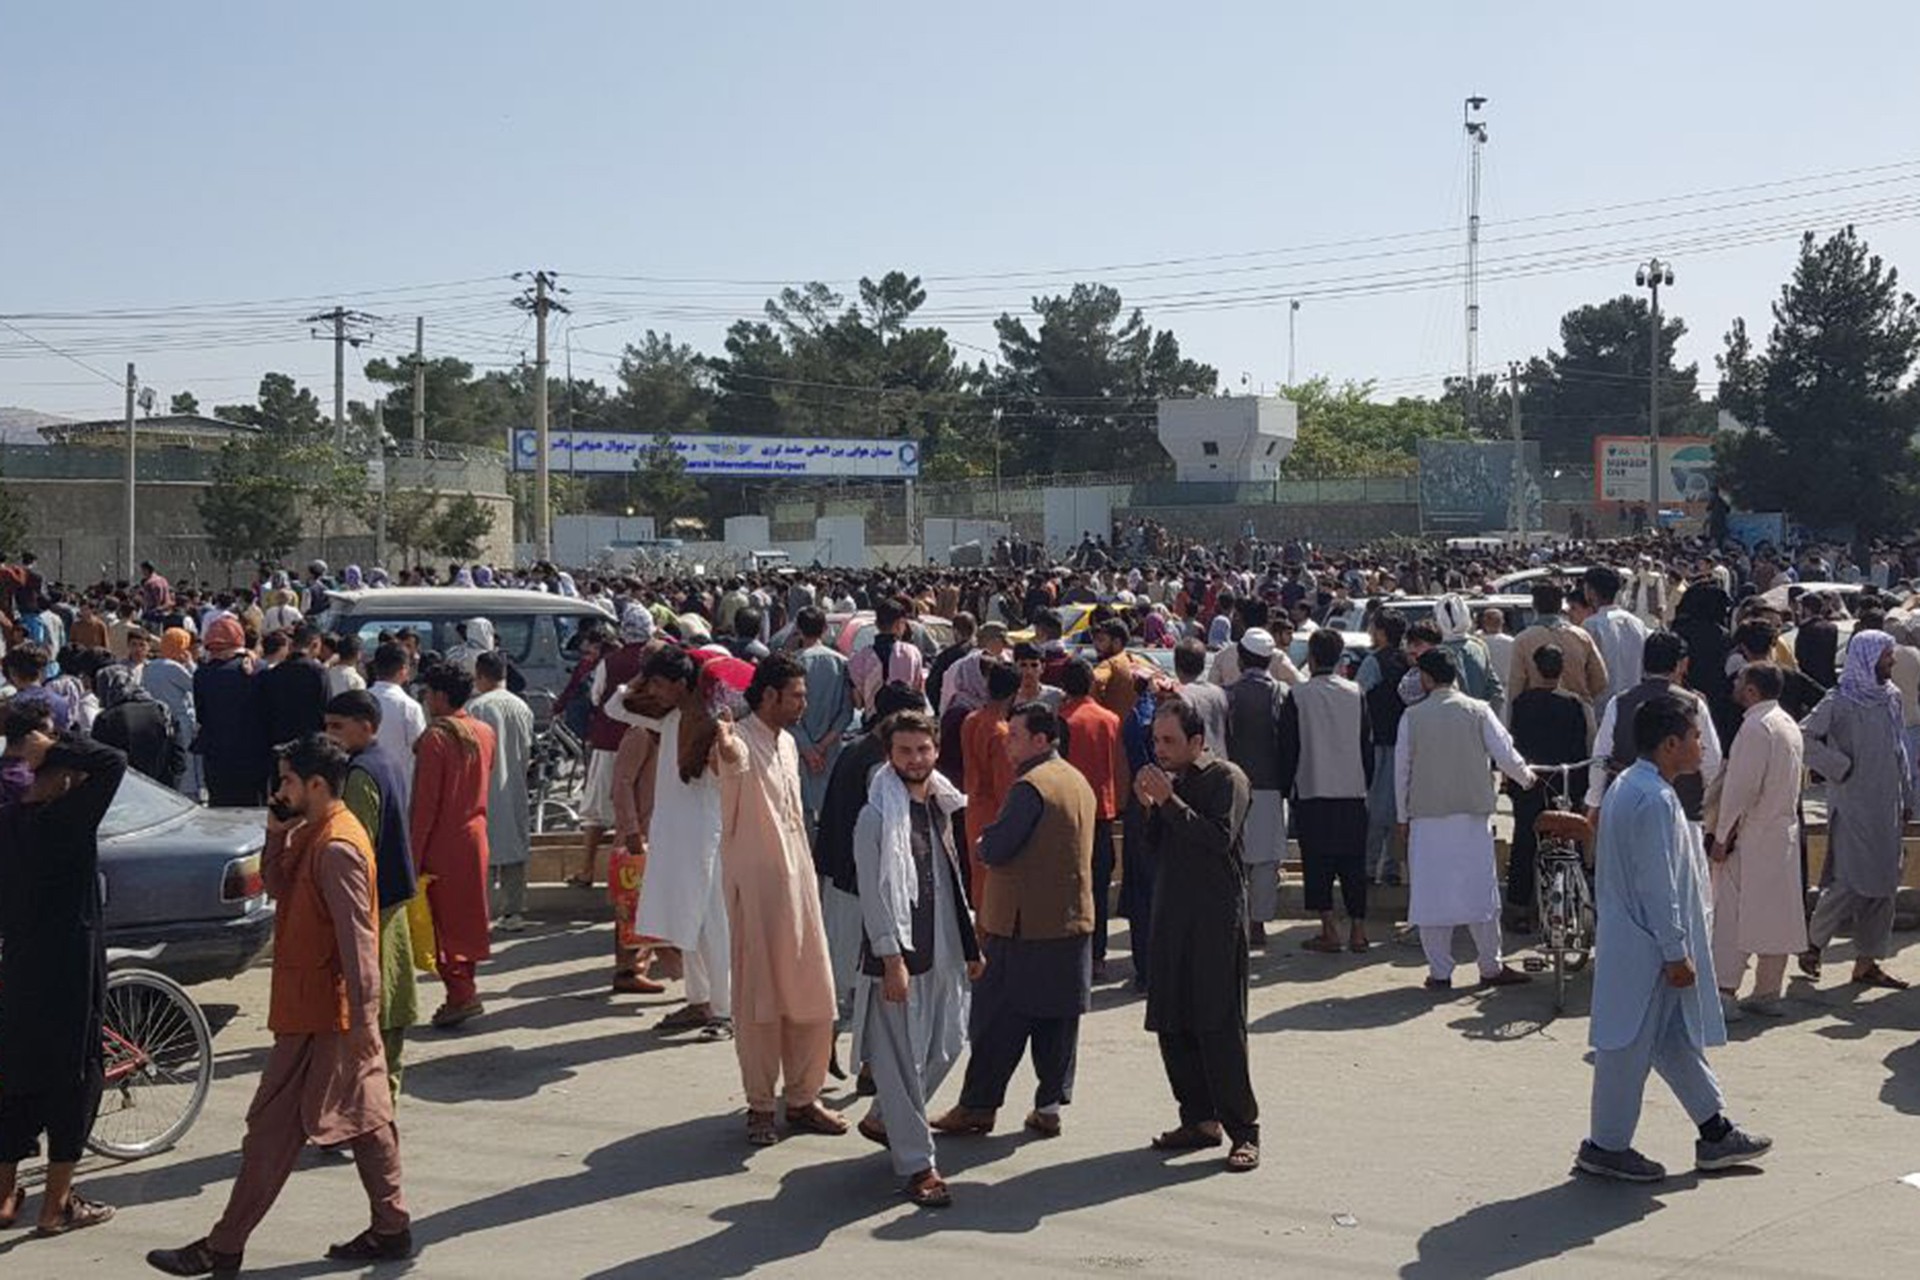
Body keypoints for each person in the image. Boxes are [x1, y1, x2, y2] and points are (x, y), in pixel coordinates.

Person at [146, 735, 413, 1275]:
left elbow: (358, 940)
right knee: (368, 1118)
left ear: (317, 785)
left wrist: (364, 1022)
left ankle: (223, 1246)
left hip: (325, 1017)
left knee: (271, 1131)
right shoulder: (312, 834)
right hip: (315, 1011)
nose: (279, 790)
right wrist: (274, 831)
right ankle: (391, 1228)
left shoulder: (337, 846)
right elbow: (276, 884)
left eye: (289, 781)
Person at [1578, 694, 1771, 1183]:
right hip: (1649, 949)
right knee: (1625, 1049)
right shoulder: (1653, 799)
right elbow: (1658, 885)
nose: (1701, 744)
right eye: (1694, 737)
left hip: (1646, 945)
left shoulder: (1634, 787)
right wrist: (1675, 951)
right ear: (1670, 745)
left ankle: (1716, 1131)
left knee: (1674, 1041)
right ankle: (1606, 1146)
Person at [933, 702, 1095, 1140]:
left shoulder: (1031, 787)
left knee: (996, 1022)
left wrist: (984, 843)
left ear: (1041, 740)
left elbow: (999, 846)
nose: (1009, 743)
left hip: (1022, 925)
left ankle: (978, 1107)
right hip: (1070, 920)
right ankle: (1048, 1107)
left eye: (1017, 736)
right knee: (1057, 1022)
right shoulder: (1075, 779)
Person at [0, 702, 124, 1237]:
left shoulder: (10, 820)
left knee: (16, 1082)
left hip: (21, 962)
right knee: (76, 1079)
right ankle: (57, 1205)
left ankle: (4, 1197)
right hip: (70, 967)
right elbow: (113, 761)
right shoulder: (65, 820)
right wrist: (58, 747)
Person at [712, 654, 848, 1145]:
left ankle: (804, 1097)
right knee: (760, 1000)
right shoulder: (738, 741)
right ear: (768, 696)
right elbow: (733, 763)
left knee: (812, 991)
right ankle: (761, 1106)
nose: (804, 704)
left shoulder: (788, 743)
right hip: (759, 894)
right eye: (797, 696)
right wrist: (724, 746)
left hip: (800, 886)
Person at [851, 709, 980, 1207]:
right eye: (905, 751)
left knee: (949, 1042)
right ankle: (917, 1166)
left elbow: (952, 879)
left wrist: (970, 946)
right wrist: (890, 958)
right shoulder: (876, 815)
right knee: (902, 1062)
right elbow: (873, 893)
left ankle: (885, 1116)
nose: (915, 759)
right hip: (900, 954)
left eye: (922, 749)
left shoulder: (942, 803)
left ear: (936, 751)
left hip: (945, 946)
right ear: (890, 755)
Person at [1137, 697, 1260, 1173]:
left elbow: (1216, 839)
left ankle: (1243, 1130)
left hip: (1214, 920)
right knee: (1173, 1020)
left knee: (1218, 1024)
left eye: (1169, 741)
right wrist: (1152, 807)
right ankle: (1198, 1118)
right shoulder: (1171, 783)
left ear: (1196, 741)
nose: (1160, 750)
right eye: (1156, 741)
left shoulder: (1226, 778)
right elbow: (1153, 852)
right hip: (1171, 916)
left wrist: (1169, 802)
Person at [1396, 648, 1536, 990]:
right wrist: (1527, 778)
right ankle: (1490, 966)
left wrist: (1402, 816)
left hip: (1427, 818)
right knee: (1480, 892)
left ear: (1427, 679)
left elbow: (1402, 772)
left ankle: (1440, 972)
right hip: (1472, 816)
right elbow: (1506, 753)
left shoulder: (1412, 717)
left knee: (1432, 895)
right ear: (1455, 675)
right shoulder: (1479, 711)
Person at [1800, 630, 1914, 990]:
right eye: (1886, 656)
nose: (1891, 662)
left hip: (1888, 805)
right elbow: (1803, 737)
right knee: (1848, 882)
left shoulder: (1891, 697)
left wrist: (1907, 795)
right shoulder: (1839, 700)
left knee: (1884, 886)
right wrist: (1839, 766)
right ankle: (1812, 944)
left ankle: (1867, 963)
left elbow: (1899, 749)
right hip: (1854, 805)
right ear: (1867, 658)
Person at [631, 645, 733, 1038]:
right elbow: (614, 707)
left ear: (679, 683)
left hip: (705, 838)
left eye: (659, 683)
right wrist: (647, 673)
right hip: (675, 836)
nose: (653, 691)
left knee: (713, 926)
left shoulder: (712, 722)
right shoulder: (669, 717)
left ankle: (725, 1012)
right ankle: (698, 1001)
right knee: (687, 923)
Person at [322, 690, 420, 1100]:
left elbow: (355, 855)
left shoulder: (360, 775)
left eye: (337, 728)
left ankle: (369, 1107)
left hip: (373, 908)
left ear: (366, 726)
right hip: (391, 902)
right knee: (390, 1003)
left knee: (371, 1010)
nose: (330, 737)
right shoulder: (385, 762)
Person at [1709, 663, 1807, 1021]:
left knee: (1734, 915)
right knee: (1776, 915)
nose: (1734, 685)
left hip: (1755, 833)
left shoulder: (1755, 727)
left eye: (1740, 681)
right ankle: (1768, 990)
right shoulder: (1787, 723)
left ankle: (1724, 991)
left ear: (1751, 691)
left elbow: (1740, 789)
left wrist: (1721, 835)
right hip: (1782, 833)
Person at [411, 662, 496, 1029]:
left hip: (441, 843)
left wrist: (410, 857)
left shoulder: (437, 739)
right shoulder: (483, 731)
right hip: (475, 835)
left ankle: (460, 994)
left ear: (441, 696)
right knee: (467, 918)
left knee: (440, 924)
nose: (426, 700)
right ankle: (464, 988)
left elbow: (425, 805)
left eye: (428, 693)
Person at [1278, 627, 1373, 955]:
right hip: (1352, 791)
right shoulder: (1356, 691)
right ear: (1339, 657)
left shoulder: (1299, 695)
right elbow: (1366, 745)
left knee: (1317, 864)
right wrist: (1365, 782)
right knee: (1353, 865)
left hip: (1313, 789)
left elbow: (1288, 747)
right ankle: (1359, 931)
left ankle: (1329, 929)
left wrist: (1284, 787)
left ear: (1313, 658)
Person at [1506, 645, 1592, 927]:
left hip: (1531, 781)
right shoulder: (1574, 704)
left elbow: (1515, 744)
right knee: (1571, 838)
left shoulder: (1522, 703)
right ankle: (1577, 901)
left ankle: (1519, 906)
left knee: (1525, 840)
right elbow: (1581, 748)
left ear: (1535, 668)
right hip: (1564, 781)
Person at [574, 606, 654, 890]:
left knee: (598, 810)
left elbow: (597, 699)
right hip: (653, 742)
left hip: (610, 742)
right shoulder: (657, 657)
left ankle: (587, 870)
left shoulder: (611, 661)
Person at [1058, 659, 1127, 979]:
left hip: (1069, 815)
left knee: (1071, 887)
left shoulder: (1062, 721)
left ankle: (1074, 954)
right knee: (1098, 887)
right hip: (1104, 811)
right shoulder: (1111, 720)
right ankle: (1098, 956)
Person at [1224, 626, 1288, 947]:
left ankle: (1237, 919)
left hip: (1235, 786)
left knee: (1237, 856)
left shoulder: (1229, 695)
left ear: (1241, 657)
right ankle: (1259, 922)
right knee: (1265, 861)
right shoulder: (1282, 693)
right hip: (1272, 786)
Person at [467, 650, 535, 933]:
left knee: (482, 851)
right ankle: (513, 911)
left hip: (484, 787)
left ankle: (480, 912)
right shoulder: (522, 707)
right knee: (515, 847)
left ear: (480, 676)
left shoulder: (477, 708)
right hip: (516, 784)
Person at [1358, 608, 1411, 885]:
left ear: (1380, 631)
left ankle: (1368, 867)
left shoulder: (1373, 663)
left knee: (1376, 807)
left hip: (1378, 741)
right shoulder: (1409, 662)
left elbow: (1358, 696)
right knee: (1399, 805)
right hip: (1405, 742)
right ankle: (1391, 867)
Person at [959, 659, 1020, 894]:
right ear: (1013, 693)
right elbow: (1005, 785)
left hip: (973, 808)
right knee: (995, 886)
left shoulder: (971, 720)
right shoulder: (1001, 732)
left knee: (979, 882)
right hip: (995, 813)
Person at [790, 606, 853, 831]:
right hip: (831, 746)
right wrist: (824, 744)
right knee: (831, 808)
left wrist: (808, 748)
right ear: (825, 629)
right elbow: (847, 710)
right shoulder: (841, 662)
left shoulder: (794, 664)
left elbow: (788, 713)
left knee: (802, 810)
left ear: (798, 629)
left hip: (799, 747)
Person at [195, 616, 267, 805]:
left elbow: (201, 714)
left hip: (216, 753)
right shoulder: (258, 669)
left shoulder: (203, 673)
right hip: (252, 753)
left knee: (219, 807)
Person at [1511, 581, 1609, 704]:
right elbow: (1600, 679)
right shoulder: (1581, 636)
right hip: (1576, 712)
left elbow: (1516, 685)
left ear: (1534, 607)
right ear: (1559, 607)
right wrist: (1583, 698)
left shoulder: (1522, 640)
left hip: (1536, 711)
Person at [92, 663, 182, 788]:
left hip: (126, 790)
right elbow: (178, 750)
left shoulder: (107, 718)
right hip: (163, 789)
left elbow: (100, 760)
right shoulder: (162, 709)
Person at [144, 628, 201, 798]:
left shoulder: (150, 667)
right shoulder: (174, 668)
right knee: (186, 762)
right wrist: (190, 663)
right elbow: (195, 685)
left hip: (158, 719)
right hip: (180, 720)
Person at [1583, 567, 1650, 706]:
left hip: (1602, 706)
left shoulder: (1592, 625)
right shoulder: (1637, 623)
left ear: (1591, 592)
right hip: (1634, 704)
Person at [258, 622, 329, 746]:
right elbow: (325, 709)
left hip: (277, 741)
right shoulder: (318, 673)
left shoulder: (273, 672)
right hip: (308, 743)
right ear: (315, 643)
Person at [850, 596, 923, 710]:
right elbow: (917, 690)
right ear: (899, 624)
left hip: (873, 722)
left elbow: (858, 702)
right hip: (903, 720)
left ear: (877, 624)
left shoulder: (859, 658)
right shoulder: (912, 653)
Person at [366, 642, 426, 781]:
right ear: (404, 669)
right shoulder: (410, 707)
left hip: (364, 779)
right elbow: (419, 749)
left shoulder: (359, 700)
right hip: (400, 783)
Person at [1172, 638, 1228, 756]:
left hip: (1195, 765)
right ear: (1202, 666)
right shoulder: (1220, 693)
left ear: (1176, 667)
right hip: (1220, 761)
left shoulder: (1178, 697)